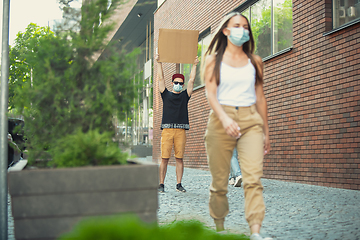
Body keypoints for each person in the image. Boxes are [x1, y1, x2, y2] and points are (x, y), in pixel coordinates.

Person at [203, 12, 271, 240]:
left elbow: (260, 98)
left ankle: (256, 232)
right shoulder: (213, 60)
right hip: (221, 118)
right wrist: (224, 118)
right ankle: (220, 229)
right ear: (226, 30)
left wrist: (265, 132)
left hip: (251, 121)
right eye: (237, 25)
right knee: (220, 183)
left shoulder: (255, 62)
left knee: (253, 179)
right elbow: (211, 94)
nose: (242, 29)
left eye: (245, 26)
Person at [155, 53, 199, 193]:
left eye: (181, 83)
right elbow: (161, 78)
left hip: (180, 131)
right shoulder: (165, 94)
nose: (178, 85)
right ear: (172, 83)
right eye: (176, 83)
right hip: (167, 131)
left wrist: (194, 65)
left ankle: (179, 184)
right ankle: (161, 184)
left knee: (179, 158)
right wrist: (159, 62)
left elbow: (192, 80)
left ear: (183, 84)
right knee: (164, 159)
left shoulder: (185, 96)